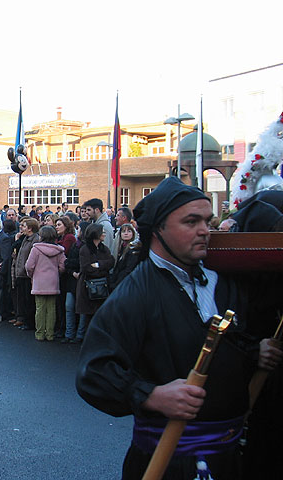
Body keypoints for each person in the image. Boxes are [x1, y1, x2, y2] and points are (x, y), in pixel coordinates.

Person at [76, 177, 282, 480]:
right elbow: (94, 371)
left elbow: (224, 341)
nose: (204, 230)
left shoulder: (224, 280)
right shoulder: (134, 293)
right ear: (159, 228)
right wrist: (151, 395)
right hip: (169, 464)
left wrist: (255, 351)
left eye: (207, 221)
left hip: (231, 459)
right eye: (191, 221)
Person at [75, 223, 115, 342]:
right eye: (102, 231)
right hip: (88, 288)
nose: (104, 233)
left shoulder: (104, 248)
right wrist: (102, 269)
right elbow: (87, 268)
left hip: (102, 287)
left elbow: (111, 262)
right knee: (89, 316)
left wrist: (98, 265)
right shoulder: (85, 249)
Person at [25, 225, 66, 341]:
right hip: (53, 281)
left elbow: (29, 266)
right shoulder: (59, 250)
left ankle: (40, 333)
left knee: (40, 308)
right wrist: (57, 272)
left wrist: (32, 275)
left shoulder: (36, 249)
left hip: (39, 281)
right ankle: (50, 334)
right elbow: (63, 266)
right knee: (51, 309)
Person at [61, 221, 90, 344]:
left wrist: (74, 267)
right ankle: (69, 333)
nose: (78, 231)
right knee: (69, 306)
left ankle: (80, 334)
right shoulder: (75, 245)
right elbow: (67, 262)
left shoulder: (88, 246)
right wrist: (72, 271)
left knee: (82, 309)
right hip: (72, 279)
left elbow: (85, 264)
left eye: (80, 229)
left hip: (83, 280)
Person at [13, 217, 40, 330]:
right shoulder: (25, 238)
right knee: (23, 299)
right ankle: (25, 320)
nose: (21, 228)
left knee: (29, 301)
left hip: (27, 274)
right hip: (21, 273)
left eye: (24, 226)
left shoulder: (35, 239)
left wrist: (27, 270)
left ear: (30, 228)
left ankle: (30, 323)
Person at [109, 223, 141, 291]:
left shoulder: (133, 249)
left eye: (129, 231)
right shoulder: (121, 248)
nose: (126, 234)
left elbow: (128, 269)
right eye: (123, 231)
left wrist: (116, 284)